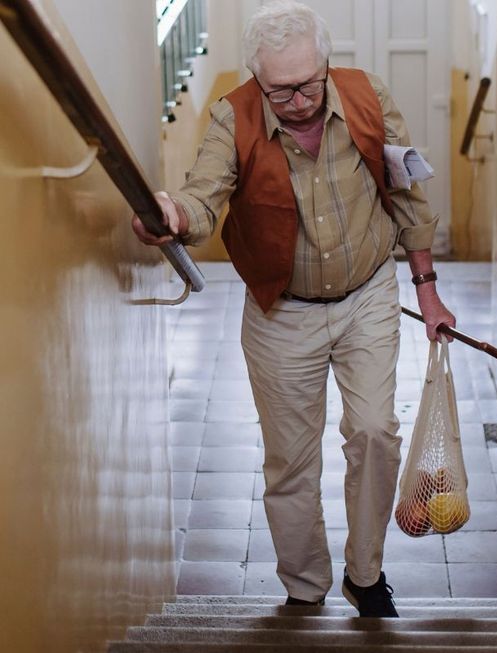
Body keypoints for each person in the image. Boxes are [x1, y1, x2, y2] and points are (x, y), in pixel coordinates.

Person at [132, 0, 454, 617]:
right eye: (280, 91)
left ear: (325, 66)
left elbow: (407, 192)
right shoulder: (234, 116)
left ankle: (366, 574)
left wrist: (428, 290)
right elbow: (204, 197)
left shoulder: (367, 96)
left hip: (367, 295)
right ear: (259, 79)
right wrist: (172, 215)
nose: (299, 100)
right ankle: (305, 588)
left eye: (309, 83)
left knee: (373, 433)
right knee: (290, 461)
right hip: (283, 311)